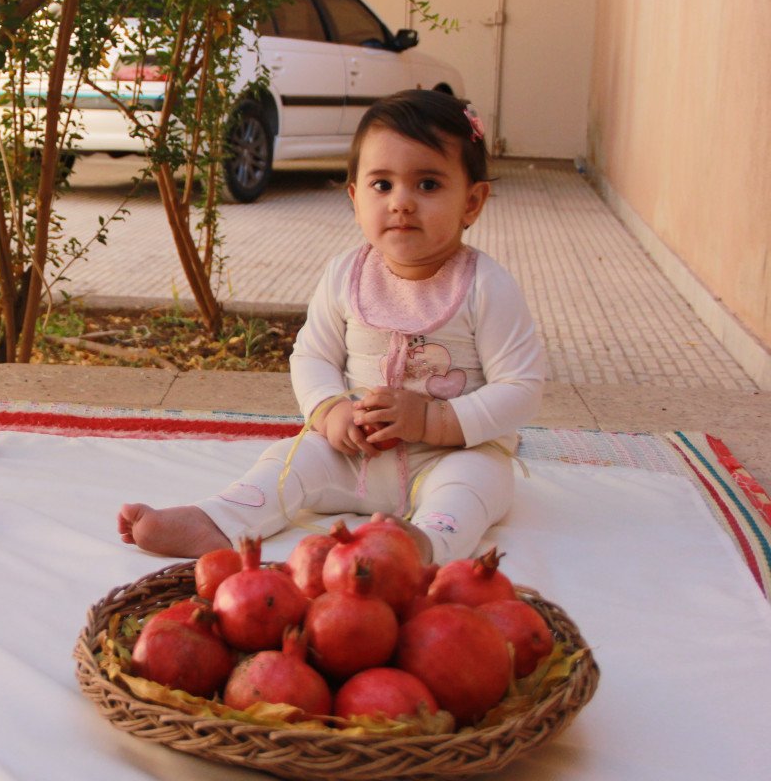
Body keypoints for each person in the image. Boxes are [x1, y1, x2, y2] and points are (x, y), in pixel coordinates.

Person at [118, 89, 546, 564]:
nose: (401, 202)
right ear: (354, 197)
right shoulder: (346, 275)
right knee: (288, 462)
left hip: (449, 457)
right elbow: (313, 357)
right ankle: (218, 519)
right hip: (353, 454)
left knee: (475, 488)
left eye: (427, 185)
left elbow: (521, 386)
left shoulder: (486, 286)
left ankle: (421, 547)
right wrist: (330, 413)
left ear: (472, 201)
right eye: (382, 185)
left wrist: (433, 420)